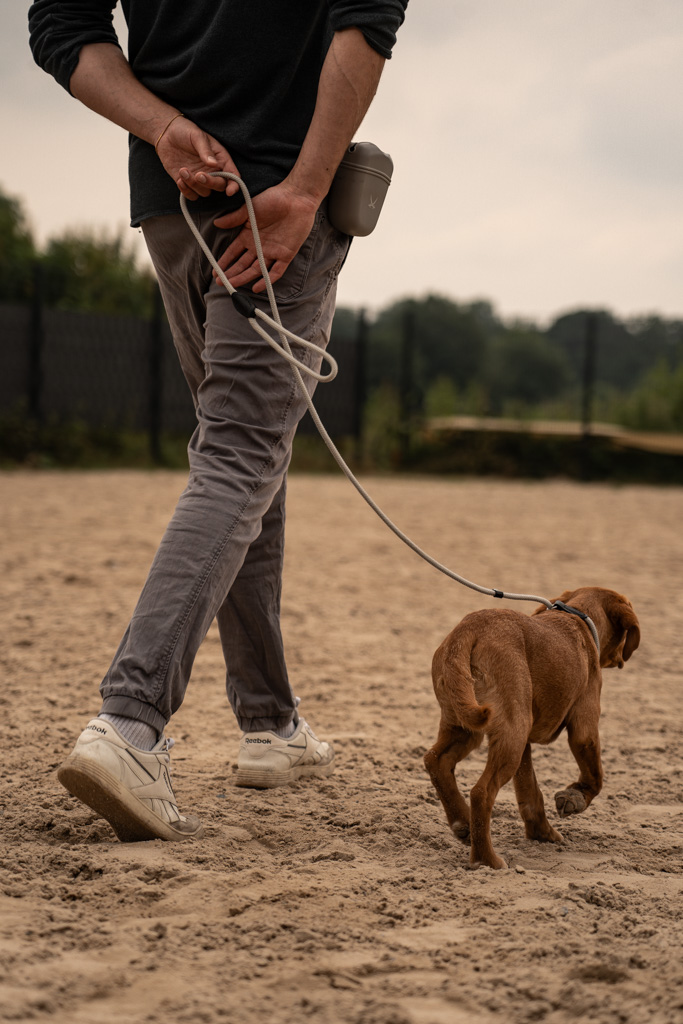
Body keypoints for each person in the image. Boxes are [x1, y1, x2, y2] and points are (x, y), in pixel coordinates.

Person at [28, 0, 407, 842]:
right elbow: (367, 16)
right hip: (275, 203)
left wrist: (164, 130)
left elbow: (59, 24)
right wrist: (309, 187)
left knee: (242, 463)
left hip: (171, 206)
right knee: (239, 460)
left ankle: (269, 724)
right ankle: (129, 724)